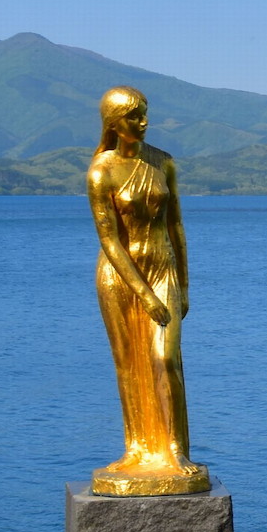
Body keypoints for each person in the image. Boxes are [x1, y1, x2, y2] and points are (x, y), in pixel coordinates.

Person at [87, 85, 209, 495]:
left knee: (164, 358)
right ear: (113, 124)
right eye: (133, 117)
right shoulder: (101, 171)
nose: (143, 123)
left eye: (144, 115)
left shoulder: (163, 163)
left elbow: (175, 226)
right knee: (128, 364)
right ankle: (138, 448)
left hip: (163, 269)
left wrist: (185, 287)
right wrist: (144, 294)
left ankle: (174, 450)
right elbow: (109, 241)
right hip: (122, 278)